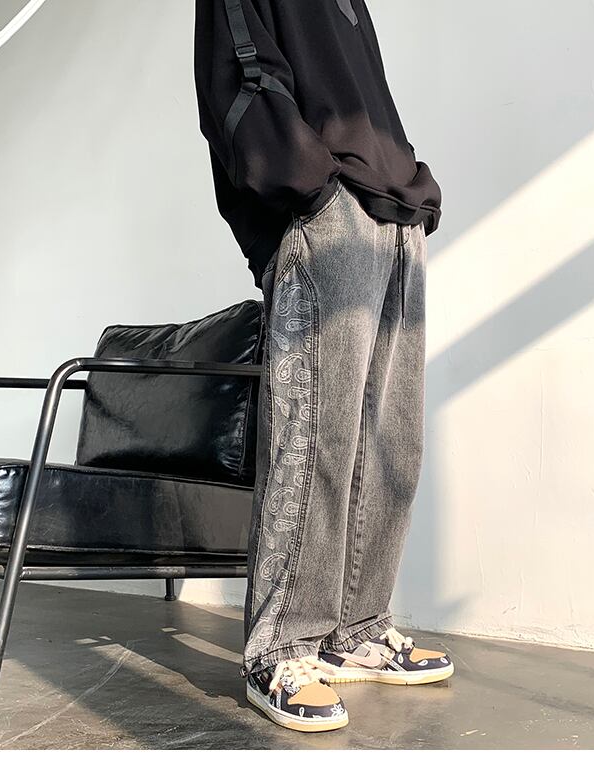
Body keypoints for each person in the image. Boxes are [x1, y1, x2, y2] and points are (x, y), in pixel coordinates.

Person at [194, 0, 453, 732]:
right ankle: (281, 649)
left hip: (396, 215)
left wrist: (411, 192)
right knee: (316, 438)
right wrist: (313, 190)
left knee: (390, 444)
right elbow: (238, 84)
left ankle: (357, 629)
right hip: (328, 215)